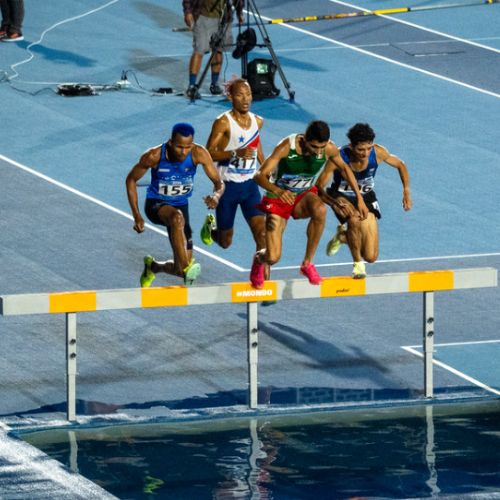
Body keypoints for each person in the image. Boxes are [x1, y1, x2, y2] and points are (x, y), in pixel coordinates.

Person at [250, 120, 369, 289]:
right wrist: (278, 191)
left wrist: (360, 198)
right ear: (305, 139)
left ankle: (307, 264)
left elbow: (345, 169)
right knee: (273, 257)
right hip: (278, 198)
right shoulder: (286, 147)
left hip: (303, 195)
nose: (318, 152)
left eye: (322, 147)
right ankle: (258, 259)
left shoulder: (329, 149)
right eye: (314, 147)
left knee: (320, 209)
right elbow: (259, 175)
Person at [125, 122, 224, 287]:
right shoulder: (154, 156)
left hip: (181, 207)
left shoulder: (199, 153)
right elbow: (131, 180)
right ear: (171, 142)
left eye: (187, 147)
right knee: (177, 219)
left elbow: (219, 183)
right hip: (156, 204)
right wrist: (137, 216)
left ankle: (153, 267)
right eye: (179, 147)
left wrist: (216, 196)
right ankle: (187, 269)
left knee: (178, 270)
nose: (183, 152)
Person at [323, 122, 412, 278]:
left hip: (366, 197)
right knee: (354, 218)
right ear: (351, 146)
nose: (365, 153)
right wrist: (333, 203)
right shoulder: (338, 158)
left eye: (368, 148)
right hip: (341, 195)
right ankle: (358, 265)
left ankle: (343, 236)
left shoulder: (378, 153)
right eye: (360, 149)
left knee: (371, 256)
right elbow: (320, 187)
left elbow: (400, 165)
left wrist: (406, 190)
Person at [202, 77, 266, 256]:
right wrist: (234, 153)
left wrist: (267, 168)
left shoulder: (258, 121)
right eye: (240, 95)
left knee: (261, 235)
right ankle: (211, 228)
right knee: (225, 242)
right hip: (227, 188)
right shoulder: (223, 122)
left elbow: (256, 146)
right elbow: (207, 154)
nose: (246, 99)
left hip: (250, 187)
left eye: (248, 94)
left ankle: (260, 273)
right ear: (230, 97)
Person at [182, 0, 244, 99]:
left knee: (218, 50)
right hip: (203, 16)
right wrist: (188, 12)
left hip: (223, 19)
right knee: (199, 50)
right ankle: (192, 86)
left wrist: (239, 12)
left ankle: (214, 84)